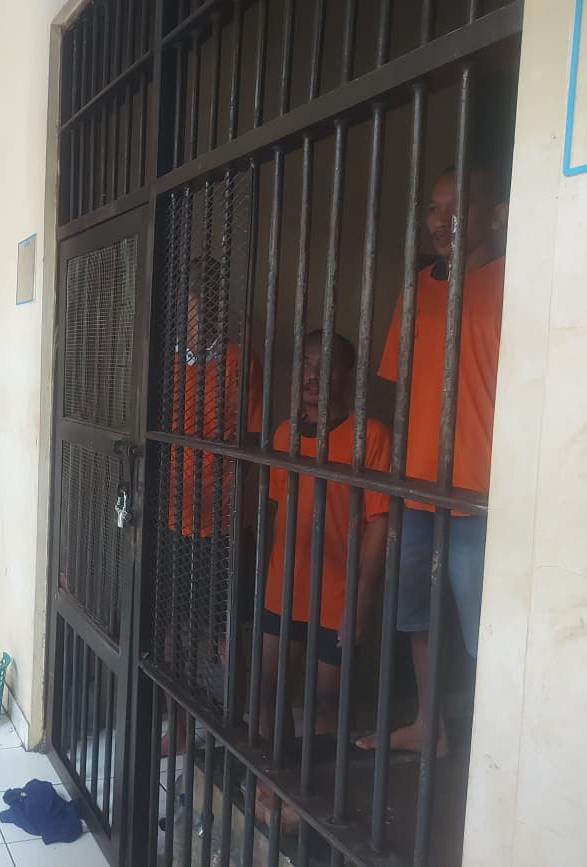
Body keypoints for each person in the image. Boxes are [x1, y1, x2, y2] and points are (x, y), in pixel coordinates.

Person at [358, 165, 508, 756]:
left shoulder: (519, 280)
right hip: (418, 486)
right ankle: (430, 726)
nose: (440, 222)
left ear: (496, 214)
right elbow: (401, 392)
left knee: (485, 629)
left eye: (456, 207)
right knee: (417, 615)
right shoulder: (417, 289)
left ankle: (497, 746)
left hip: (484, 491)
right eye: (432, 208)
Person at [259, 331, 390, 741]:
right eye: (306, 363)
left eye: (326, 365)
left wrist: (362, 599)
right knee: (267, 699)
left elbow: (380, 521)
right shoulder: (284, 434)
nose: (312, 375)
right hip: (284, 587)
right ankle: (272, 777)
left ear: (347, 375)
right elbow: (279, 511)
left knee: (328, 708)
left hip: (337, 593)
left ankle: (328, 779)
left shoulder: (370, 436)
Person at [161, 256, 263, 756]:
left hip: (222, 522)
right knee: (171, 629)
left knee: (226, 629)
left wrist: (240, 512)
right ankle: (180, 729)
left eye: (206, 304)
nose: (197, 315)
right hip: (172, 516)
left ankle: (230, 729)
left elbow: (251, 442)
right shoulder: (167, 363)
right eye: (190, 304)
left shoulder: (240, 362)